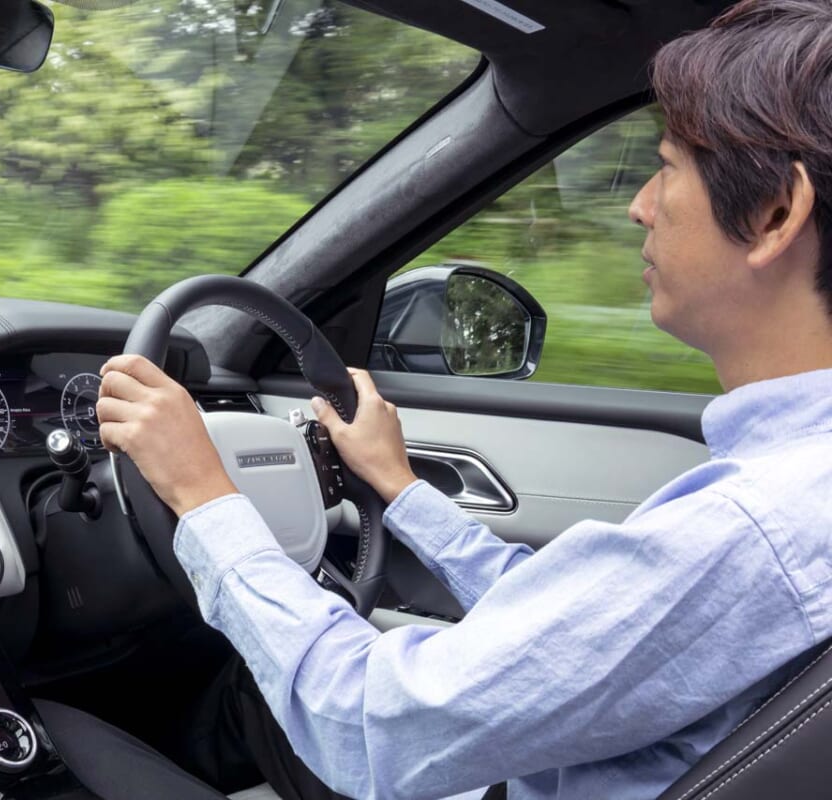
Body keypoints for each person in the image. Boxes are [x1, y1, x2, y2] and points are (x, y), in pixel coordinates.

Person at [95, 1, 832, 797]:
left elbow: (364, 725)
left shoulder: (754, 531)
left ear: (774, 213)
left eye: (667, 166)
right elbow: (574, 631)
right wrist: (400, 487)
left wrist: (204, 497)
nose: (640, 205)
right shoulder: (793, 502)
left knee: (114, 731)